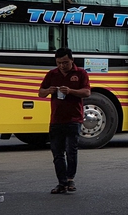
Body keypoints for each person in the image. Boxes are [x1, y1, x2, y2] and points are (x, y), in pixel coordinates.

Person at [38, 47, 91, 194]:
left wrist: (71, 91)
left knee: (71, 151)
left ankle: (70, 179)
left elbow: (87, 92)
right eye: (59, 63)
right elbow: (40, 93)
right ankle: (61, 182)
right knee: (57, 153)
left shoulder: (81, 73)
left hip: (74, 119)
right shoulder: (52, 74)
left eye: (65, 62)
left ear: (72, 60)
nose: (62, 65)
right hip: (56, 119)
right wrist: (49, 91)